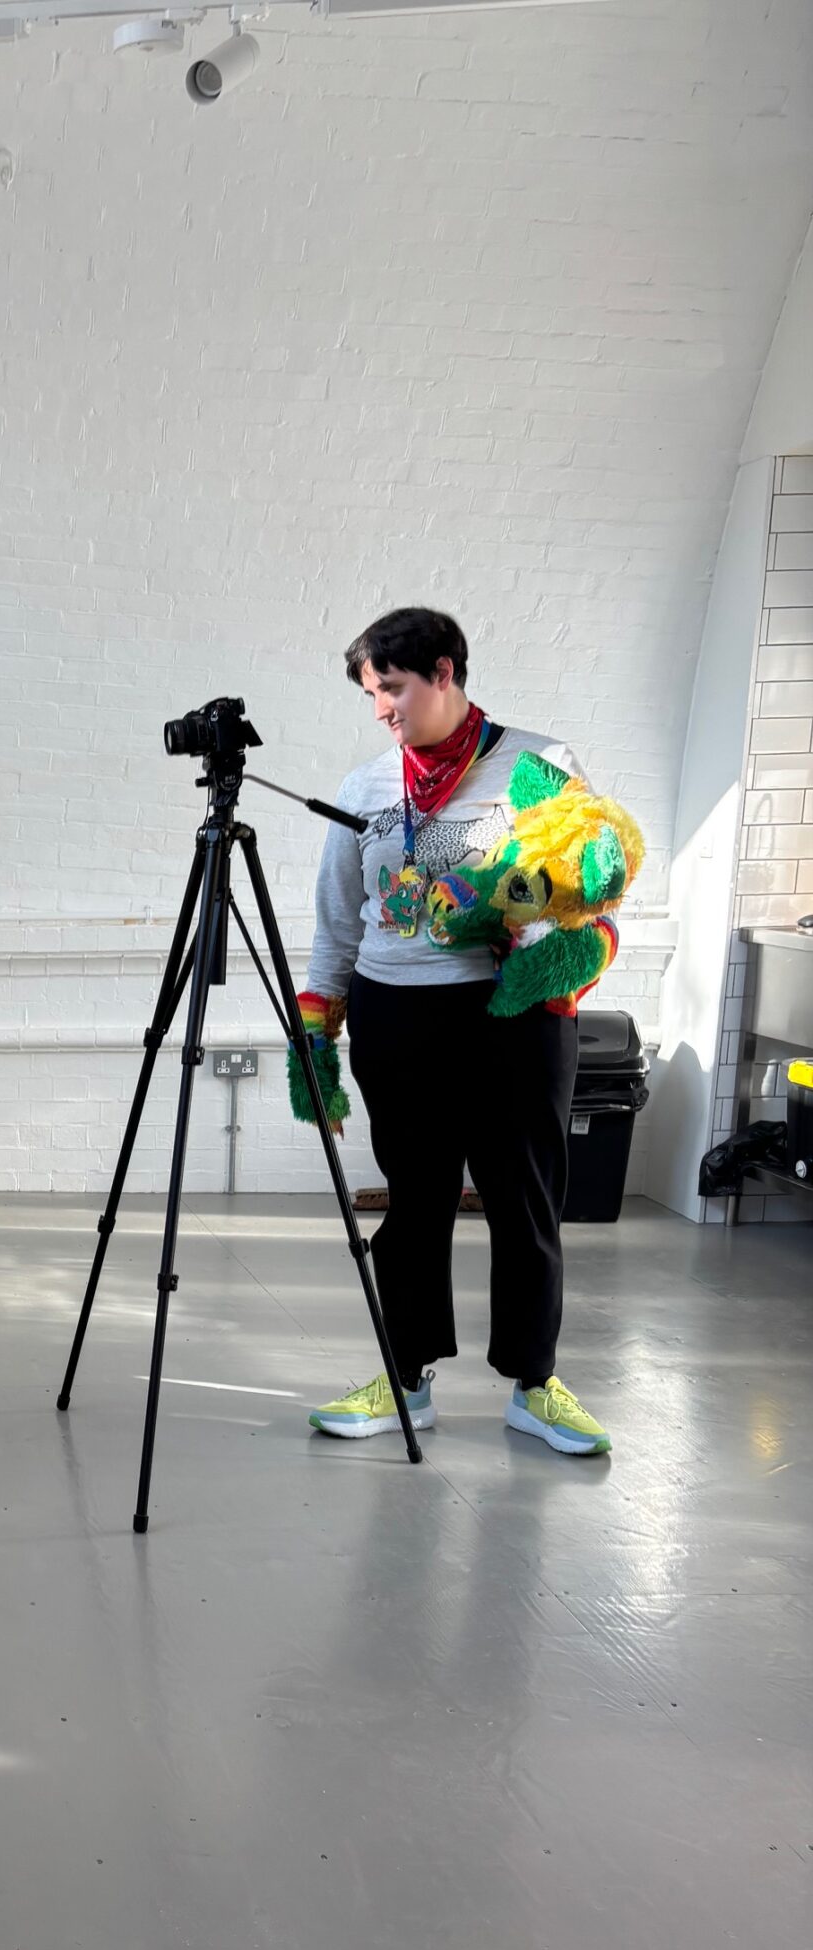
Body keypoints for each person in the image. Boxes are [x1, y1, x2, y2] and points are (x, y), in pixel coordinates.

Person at [299, 605, 613, 1457]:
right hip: (394, 1012)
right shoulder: (368, 785)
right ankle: (405, 1379)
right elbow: (339, 922)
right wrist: (317, 1030)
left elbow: (591, 880)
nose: (382, 710)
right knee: (416, 1201)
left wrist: (558, 940)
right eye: (371, 695)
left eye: (391, 688)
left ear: (444, 671)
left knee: (525, 1201)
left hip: (509, 1017)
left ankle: (535, 1384)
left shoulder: (537, 764)